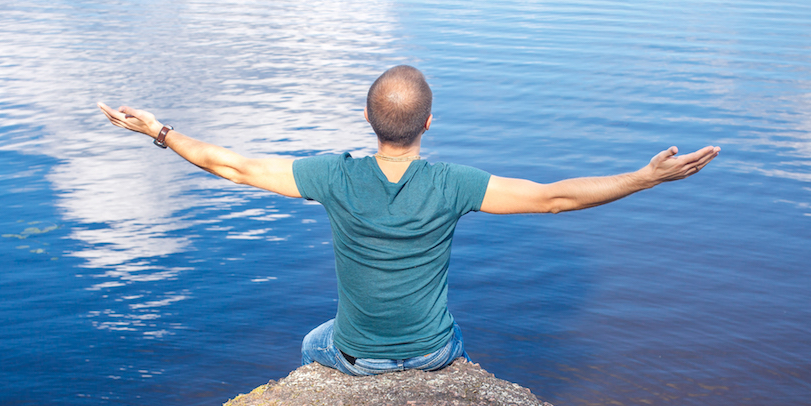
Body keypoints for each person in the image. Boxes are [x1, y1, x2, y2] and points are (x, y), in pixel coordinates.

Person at [99, 65, 719, 376]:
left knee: (314, 340)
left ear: (368, 120)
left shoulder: (332, 177)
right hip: (433, 354)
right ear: (428, 124)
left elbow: (230, 167)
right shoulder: (453, 184)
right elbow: (556, 198)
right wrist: (645, 177)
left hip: (358, 357)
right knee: (452, 340)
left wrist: (157, 130)